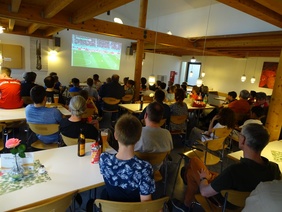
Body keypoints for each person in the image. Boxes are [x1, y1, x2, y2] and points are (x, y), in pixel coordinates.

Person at [182, 123, 281, 208]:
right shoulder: (274, 168)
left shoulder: (234, 171)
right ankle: (187, 203)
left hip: (224, 202)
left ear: (243, 140)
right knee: (192, 173)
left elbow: (204, 192)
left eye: (240, 134)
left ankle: (187, 201)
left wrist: (204, 178)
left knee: (193, 163)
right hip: (248, 204)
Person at [99, 114, 155, 202]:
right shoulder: (145, 168)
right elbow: (146, 204)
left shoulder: (104, 159)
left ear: (115, 135)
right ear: (138, 137)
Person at [135, 102, 173, 170]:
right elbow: (169, 152)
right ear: (161, 117)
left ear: (145, 115)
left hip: (137, 170)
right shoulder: (167, 134)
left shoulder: (137, 132)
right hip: (156, 170)